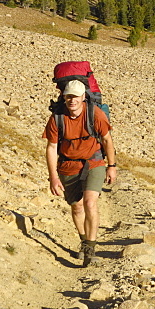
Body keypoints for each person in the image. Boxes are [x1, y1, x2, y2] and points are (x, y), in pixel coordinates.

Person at [43, 79, 117, 266]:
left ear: (83, 97)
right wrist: (53, 177)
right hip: (68, 166)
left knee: (90, 202)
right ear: (64, 97)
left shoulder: (95, 114)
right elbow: (51, 147)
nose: (72, 101)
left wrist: (111, 165)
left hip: (94, 162)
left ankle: (90, 248)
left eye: (75, 97)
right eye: (68, 97)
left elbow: (107, 140)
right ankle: (84, 241)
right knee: (77, 206)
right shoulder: (57, 118)